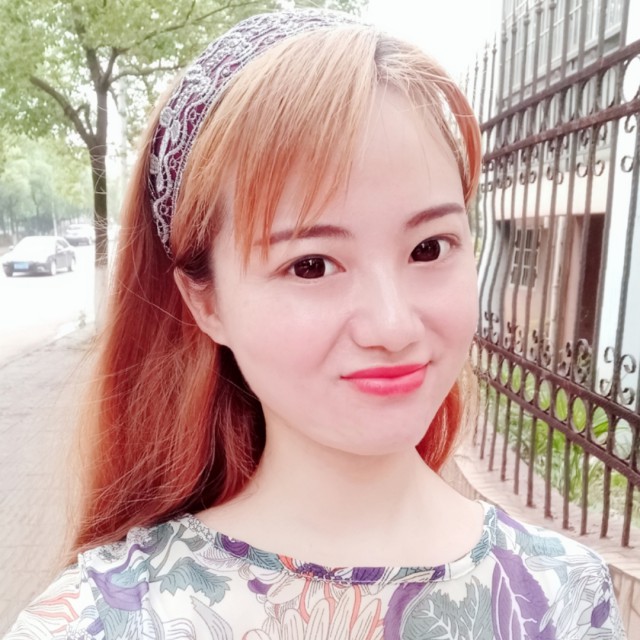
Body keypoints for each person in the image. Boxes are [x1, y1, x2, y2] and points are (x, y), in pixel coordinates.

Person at [5, 8, 626, 640]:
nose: (392, 326)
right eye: (310, 265)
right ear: (205, 302)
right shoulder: (102, 620)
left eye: (428, 248)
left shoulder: (565, 598)